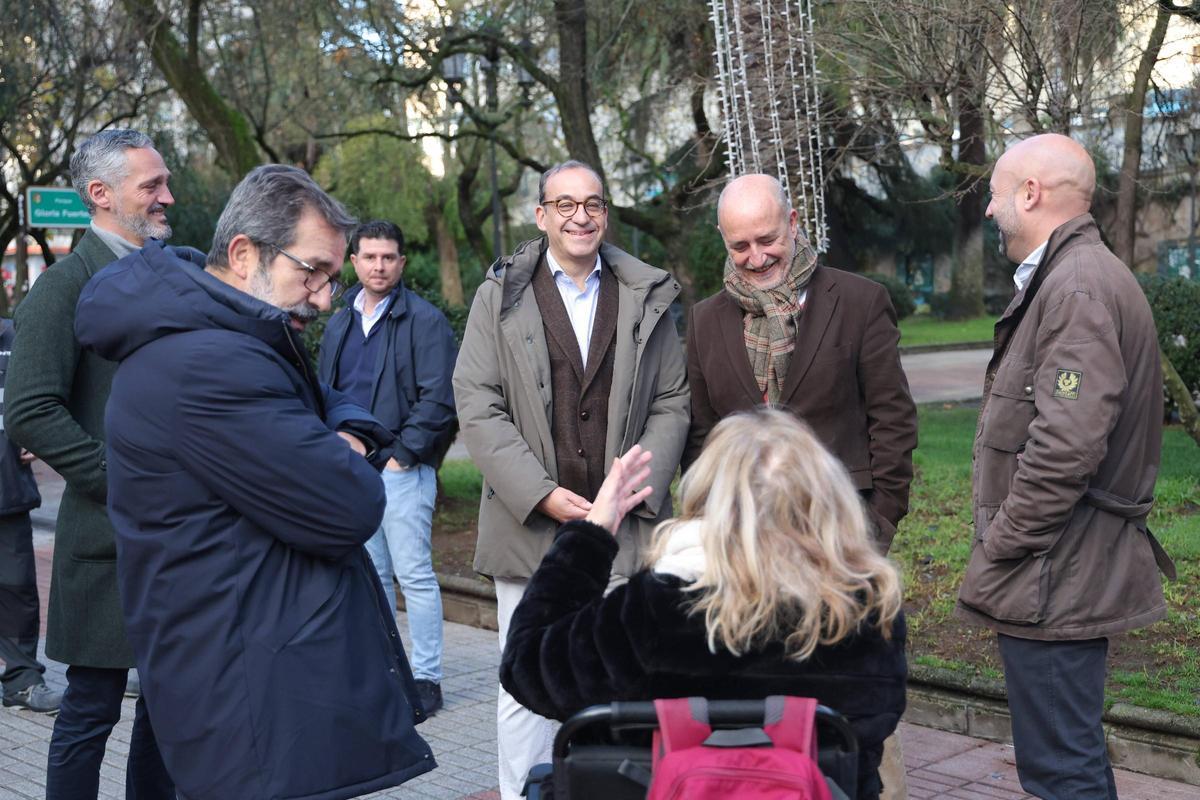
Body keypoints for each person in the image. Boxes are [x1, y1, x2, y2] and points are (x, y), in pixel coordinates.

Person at [74, 165, 436, 799]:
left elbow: (327, 398)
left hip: (246, 673)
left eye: (333, 278)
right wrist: (343, 448)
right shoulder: (210, 365)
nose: (325, 298)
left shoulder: (224, 338)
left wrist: (338, 433)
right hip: (248, 694)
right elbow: (350, 505)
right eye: (314, 272)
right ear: (244, 255)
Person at [500, 409, 907, 800]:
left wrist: (591, 535)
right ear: (828, 501)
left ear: (706, 497)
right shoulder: (867, 613)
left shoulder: (654, 610)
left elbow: (527, 667)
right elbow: (871, 732)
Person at [453, 159, 690, 800]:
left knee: (623, 676)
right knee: (525, 686)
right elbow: (475, 399)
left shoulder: (647, 294)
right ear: (540, 215)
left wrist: (632, 488)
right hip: (528, 526)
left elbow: (672, 399)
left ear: (605, 213)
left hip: (624, 526)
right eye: (564, 204)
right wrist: (541, 495)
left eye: (592, 204)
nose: (580, 216)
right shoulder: (498, 297)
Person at [957, 133, 1173, 800]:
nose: (989, 213)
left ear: (1030, 193)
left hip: (1055, 572)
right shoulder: (1074, 276)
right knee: (1067, 759)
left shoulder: (1077, 285)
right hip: (1061, 567)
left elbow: (1066, 447)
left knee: (1061, 771)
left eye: (995, 195)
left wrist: (1005, 542)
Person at [5, 129, 175, 799]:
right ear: (100, 196)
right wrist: (121, 480)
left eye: (164, 181)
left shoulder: (176, 271)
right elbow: (31, 412)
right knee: (91, 710)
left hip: (178, 542)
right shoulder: (61, 290)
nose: (168, 195)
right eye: (151, 185)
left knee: (169, 714)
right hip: (106, 542)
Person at [684, 173, 917, 552]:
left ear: (792, 223)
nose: (756, 258)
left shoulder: (862, 302)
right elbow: (701, 436)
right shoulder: (704, 320)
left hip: (842, 528)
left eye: (767, 239)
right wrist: (708, 525)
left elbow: (893, 421)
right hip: (742, 537)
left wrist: (877, 524)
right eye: (740, 246)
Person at [317, 219, 458, 716]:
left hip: (401, 470)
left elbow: (440, 398)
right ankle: (383, 669)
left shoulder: (424, 320)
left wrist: (403, 456)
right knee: (371, 575)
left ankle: (426, 678)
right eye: (369, 256)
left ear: (401, 262)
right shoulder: (338, 320)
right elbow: (324, 390)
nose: (379, 266)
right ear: (353, 260)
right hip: (351, 470)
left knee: (414, 574)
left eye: (388, 257)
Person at [0, 318, 57, 714]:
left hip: (7, 489)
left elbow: (41, 394)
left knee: (18, 588)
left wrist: (39, 435)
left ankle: (22, 680)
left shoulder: (13, 336)